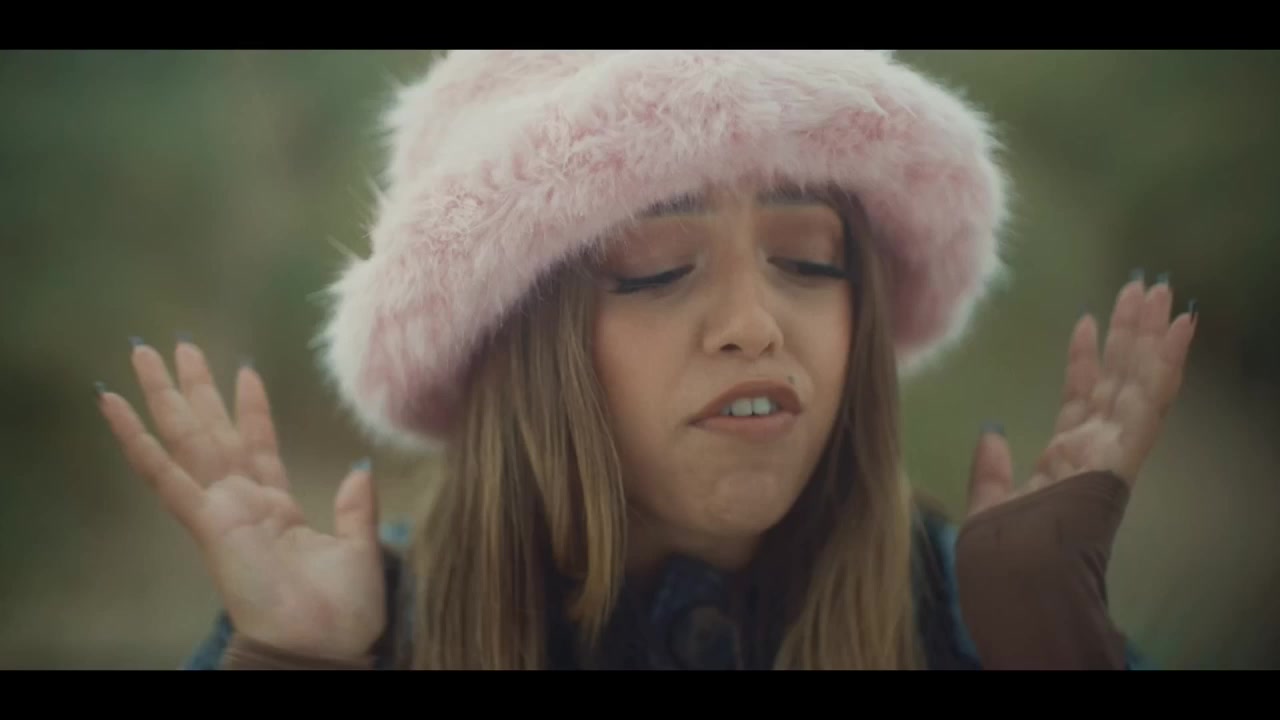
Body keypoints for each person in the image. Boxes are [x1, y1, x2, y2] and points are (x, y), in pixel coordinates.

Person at [96, 50, 1197, 670]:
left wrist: (1056, 646)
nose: (753, 324)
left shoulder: (975, 622)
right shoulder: (353, 632)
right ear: (520, 344)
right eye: (660, 266)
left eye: (807, 259)